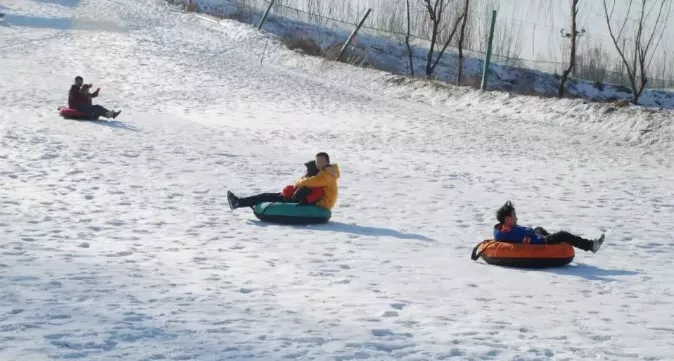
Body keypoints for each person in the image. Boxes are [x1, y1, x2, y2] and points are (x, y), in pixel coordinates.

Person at [227, 152, 340, 210]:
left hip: (321, 204)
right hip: (314, 201)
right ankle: (239, 202)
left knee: (266, 196)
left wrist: (299, 183)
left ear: (327, 162)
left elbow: (310, 182)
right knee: (267, 195)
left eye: (321, 162)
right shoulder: (326, 172)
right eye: (317, 162)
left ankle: (238, 202)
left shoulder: (326, 175)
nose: (319, 164)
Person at [494, 201, 605, 253]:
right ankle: (590, 246)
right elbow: (524, 235)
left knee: (539, 228)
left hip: (536, 237)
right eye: (515, 216)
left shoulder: (505, 229)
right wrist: (531, 232)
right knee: (562, 234)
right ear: (508, 220)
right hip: (540, 242)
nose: (517, 218)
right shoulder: (510, 231)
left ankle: (555, 240)